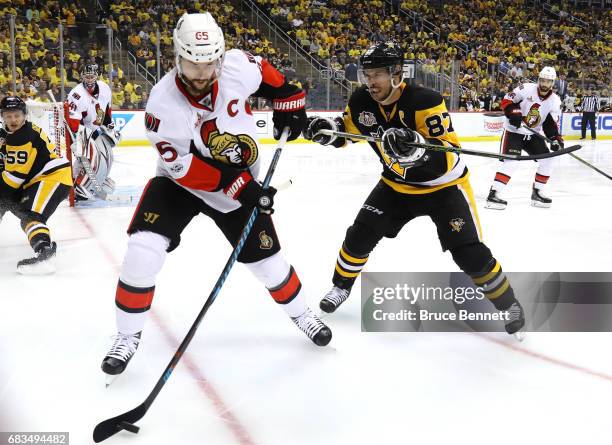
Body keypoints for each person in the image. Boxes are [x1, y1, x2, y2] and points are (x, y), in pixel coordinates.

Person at [101, 13, 331, 379]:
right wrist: (245, 188)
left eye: (210, 63)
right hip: (181, 186)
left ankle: (303, 314)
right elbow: (187, 169)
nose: (203, 72)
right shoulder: (162, 104)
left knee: (269, 264)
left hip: (237, 187)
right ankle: (126, 336)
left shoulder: (236, 67)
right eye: (194, 63)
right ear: (178, 57)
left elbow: (272, 80)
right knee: (142, 251)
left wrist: (291, 105)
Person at [304, 41, 525, 337]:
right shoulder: (361, 102)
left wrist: (416, 148)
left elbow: (448, 156)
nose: (371, 82)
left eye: (377, 74)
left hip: (443, 187)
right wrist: (327, 132)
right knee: (358, 236)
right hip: (396, 185)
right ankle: (340, 287)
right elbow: (347, 132)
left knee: (469, 254)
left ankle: (509, 304)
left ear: (397, 74)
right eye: (367, 75)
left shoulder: (424, 101)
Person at [0, 96, 72, 274]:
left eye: (17, 115)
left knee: (30, 216)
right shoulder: (10, 134)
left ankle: (44, 253)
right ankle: (43, 249)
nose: (13, 120)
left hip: (53, 177)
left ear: (24, 115)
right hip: (37, 180)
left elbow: (13, 180)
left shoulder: (22, 137)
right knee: (23, 213)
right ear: (2, 117)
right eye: (8, 116)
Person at [485, 67, 563, 209]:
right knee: (512, 162)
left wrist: (555, 138)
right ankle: (493, 195)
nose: (545, 84)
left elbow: (549, 123)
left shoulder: (555, 101)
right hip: (513, 132)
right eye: (543, 80)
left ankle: (537, 193)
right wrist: (514, 113)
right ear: (539, 80)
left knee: (548, 159)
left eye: (548, 81)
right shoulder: (526, 88)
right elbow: (507, 101)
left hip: (532, 134)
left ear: (552, 83)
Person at [64, 63, 120, 201]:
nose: (89, 80)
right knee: (90, 158)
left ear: (97, 76)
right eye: (86, 76)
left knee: (108, 155)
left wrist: (109, 125)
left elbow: (106, 109)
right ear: (82, 76)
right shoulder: (76, 94)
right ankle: (77, 185)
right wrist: (78, 140)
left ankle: (98, 179)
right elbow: (73, 122)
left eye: (92, 76)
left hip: (95, 128)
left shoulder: (105, 88)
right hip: (80, 129)